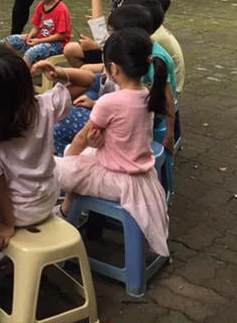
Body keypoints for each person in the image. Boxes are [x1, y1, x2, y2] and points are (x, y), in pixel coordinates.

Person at [53, 28, 170, 259]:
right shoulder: (148, 95)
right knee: (82, 160)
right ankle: (67, 210)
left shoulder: (109, 101)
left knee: (62, 164)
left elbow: (81, 138)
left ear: (114, 69)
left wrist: (68, 164)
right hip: (140, 175)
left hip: (116, 178)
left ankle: (65, 214)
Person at [0, 46, 93, 250]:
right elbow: (88, 80)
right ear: (25, 83)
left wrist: (8, 225)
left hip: (9, 213)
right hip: (45, 203)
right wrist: (58, 72)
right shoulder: (45, 106)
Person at [64, 0, 154, 68]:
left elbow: (105, 38)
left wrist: (96, 46)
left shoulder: (138, 10)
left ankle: (98, 77)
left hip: (123, 57)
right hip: (109, 45)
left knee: (85, 69)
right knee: (70, 50)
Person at [0, 0, 72, 66]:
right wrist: (29, 36)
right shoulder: (40, 6)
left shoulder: (61, 9)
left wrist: (38, 41)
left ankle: (23, 72)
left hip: (58, 44)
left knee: (32, 52)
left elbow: (61, 36)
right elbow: (36, 27)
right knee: (9, 41)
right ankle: (16, 64)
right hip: (39, 39)